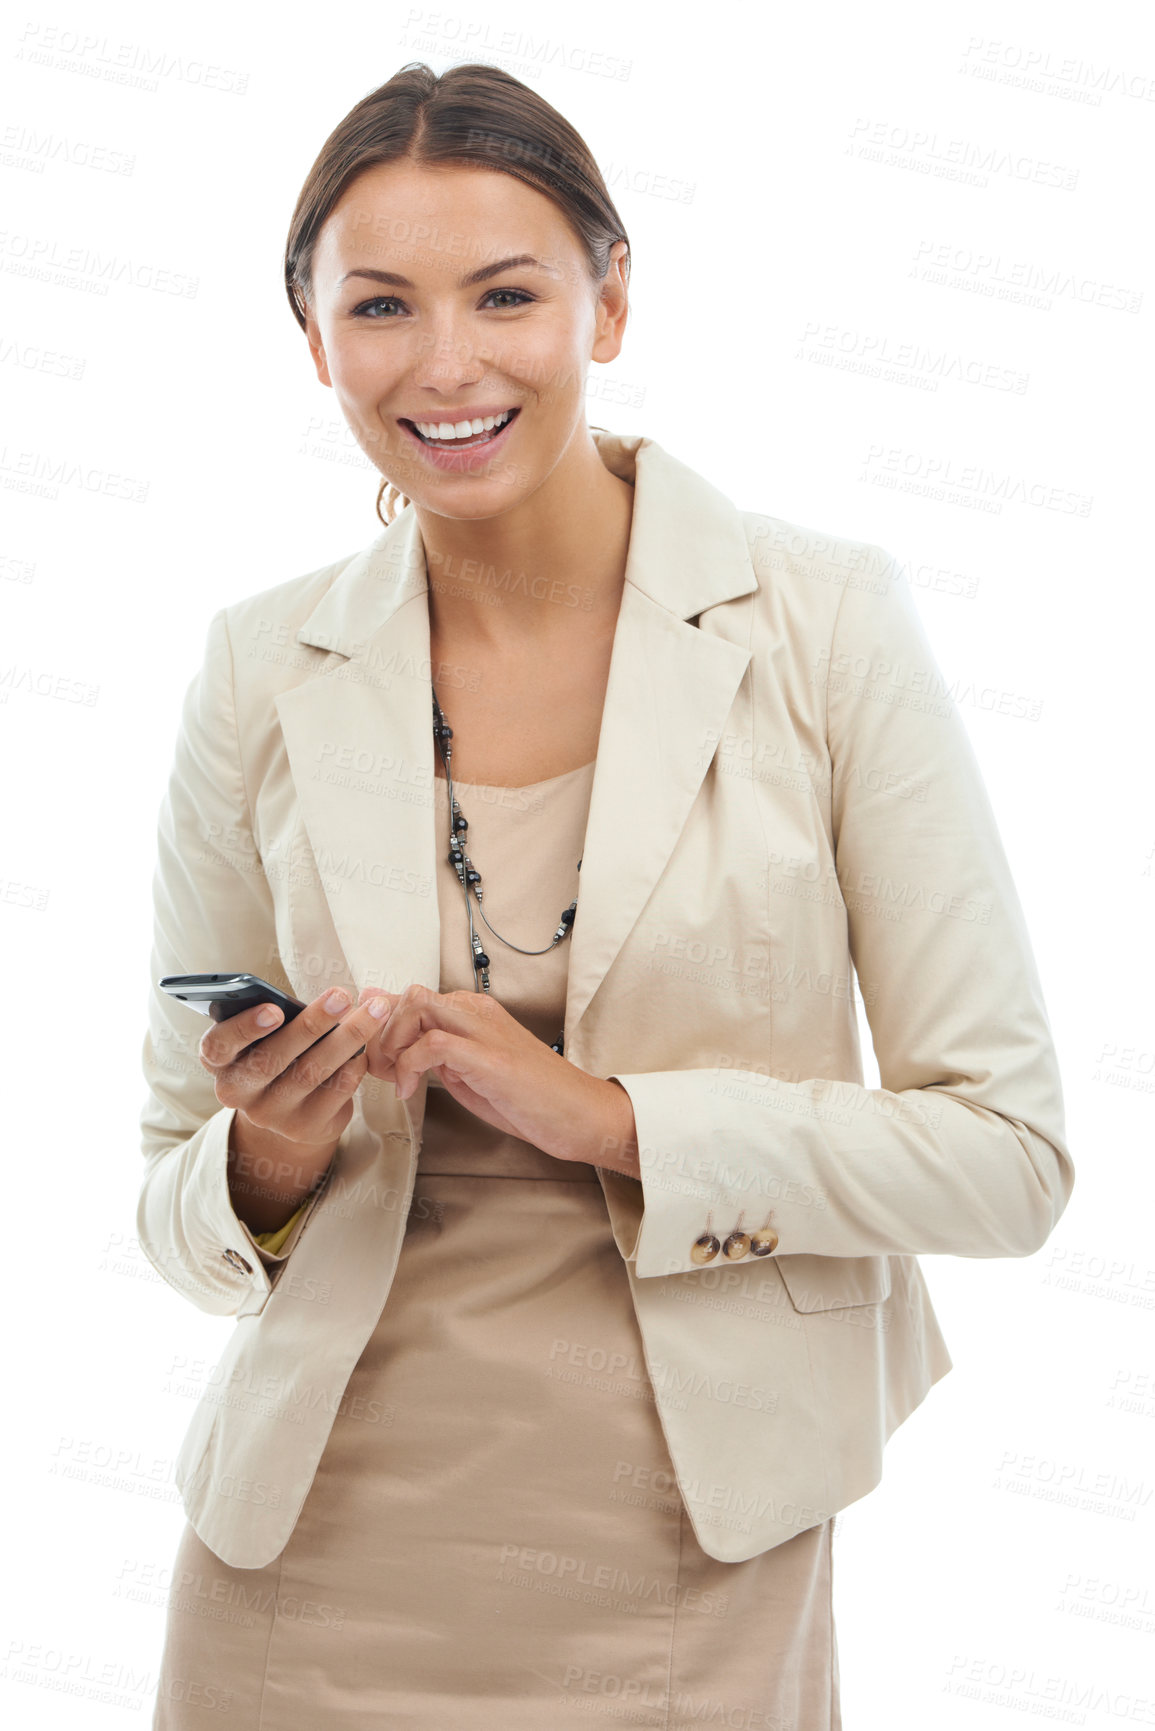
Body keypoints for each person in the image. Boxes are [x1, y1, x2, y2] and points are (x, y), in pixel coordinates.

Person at [138, 60, 1075, 1731]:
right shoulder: (263, 664)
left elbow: (1009, 1162)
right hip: (311, 1560)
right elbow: (172, 1202)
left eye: (507, 294)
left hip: (686, 1559)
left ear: (609, 302)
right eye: (380, 307)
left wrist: (614, 1117)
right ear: (314, 342)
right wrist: (269, 1160)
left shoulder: (824, 624)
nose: (445, 364)